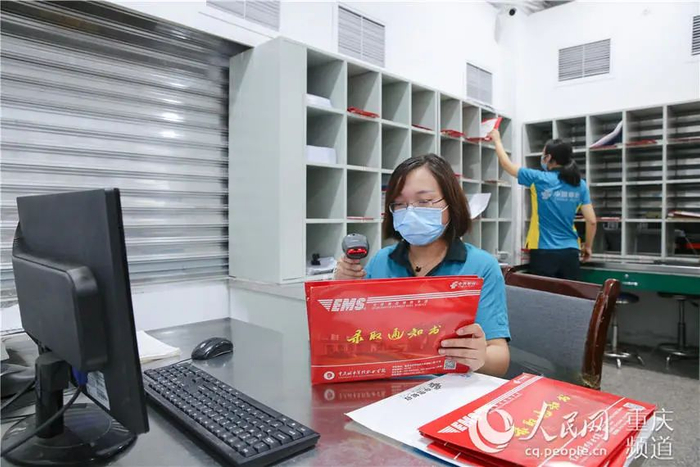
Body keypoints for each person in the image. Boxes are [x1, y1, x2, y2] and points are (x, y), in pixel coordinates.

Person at [334, 154, 510, 377]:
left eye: (424, 201)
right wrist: (342, 291)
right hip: (389, 382)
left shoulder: (481, 266)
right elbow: (352, 335)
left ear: (451, 203)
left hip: (449, 387)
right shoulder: (381, 261)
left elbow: (500, 359)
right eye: (399, 204)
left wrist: (480, 356)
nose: (410, 212)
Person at [489, 129, 597, 280]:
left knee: (544, 294)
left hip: (544, 251)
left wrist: (497, 140)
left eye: (544, 154)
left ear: (549, 157)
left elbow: (507, 165)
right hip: (571, 251)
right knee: (569, 294)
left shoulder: (540, 178)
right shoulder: (580, 184)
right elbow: (591, 221)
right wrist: (588, 247)